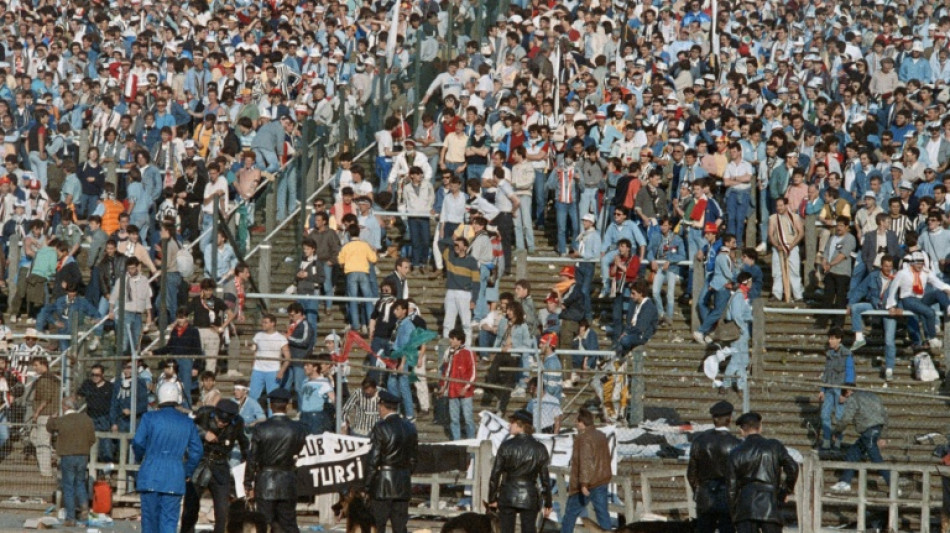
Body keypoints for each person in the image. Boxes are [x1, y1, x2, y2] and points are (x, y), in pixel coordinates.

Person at [132, 382, 204, 533]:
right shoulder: (187, 422)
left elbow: (138, 442)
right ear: (177, 398)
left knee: (150, 521)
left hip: (150, 473)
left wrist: (141, 458)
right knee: (169, 522)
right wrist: (187, 471)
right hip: (175, 475)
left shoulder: (149, 418)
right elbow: (197, 451)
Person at [244, 389, 308, 533]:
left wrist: (248, 482)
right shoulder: (298, 428)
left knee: (264, 524)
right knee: (289, 523)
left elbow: (252, 457)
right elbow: (299, 451)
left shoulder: (261, 428)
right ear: (287, 405)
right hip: (288, 479)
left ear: (271, 405)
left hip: (265, 480)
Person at [181, 399, 249, 533]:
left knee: (222, 510)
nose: (221, 423)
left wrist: (247, 461)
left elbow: (244, 442)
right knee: (191, 508)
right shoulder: (204, 413)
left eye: (225, 422)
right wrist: (203, 433)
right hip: (200, 463)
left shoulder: (238, 422)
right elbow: (185, 425)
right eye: (219, 420)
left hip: (220, 465)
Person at [727, 412, 799, 533]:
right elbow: (793, 467)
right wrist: (785, 490)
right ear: (760, 427)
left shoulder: (735, 452)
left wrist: (734, 513)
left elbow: (731, 488)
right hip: (770, 501)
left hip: (746, 505)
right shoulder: (774, 446)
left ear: (741, 430)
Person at [488, 409, 553, 533]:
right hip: (529, 495)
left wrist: (492, 498)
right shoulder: (540, 448)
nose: (509, 425)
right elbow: (545, 479)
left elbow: (495, 474)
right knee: (529, 529)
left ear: (520, 424)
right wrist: (548, 503)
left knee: (506, 530)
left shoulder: (506, 446)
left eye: (511, 422)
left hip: (507, 493)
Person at [365, 389, 419, 533]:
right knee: (400, 527)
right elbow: (413, 458)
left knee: (378, 525)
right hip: (403, 482)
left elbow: (374, 458)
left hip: (383, 483)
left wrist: (367, 484)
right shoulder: (410, 427)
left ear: (382, 406)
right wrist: (405, 473)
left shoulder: (381, 427)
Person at [688, 401, 741, 533]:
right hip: (727, 493)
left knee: (704, 528)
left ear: (714, 419)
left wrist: (698, 489)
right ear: (729, 419)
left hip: (705, 493)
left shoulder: (699, 441)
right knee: (727, 528)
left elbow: (691, 473)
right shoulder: (737, 444)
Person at [830, 385, 892, 494]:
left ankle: (893, 484)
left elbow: (846, 419)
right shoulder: (873, 396)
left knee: (876, 458)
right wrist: (883, 436)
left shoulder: (853, 399)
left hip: (868, 432)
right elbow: (885, 415)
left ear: (848, 391)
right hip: (875, 430)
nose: (842, 398)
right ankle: (845, 482)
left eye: (842, 394)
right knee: (852, 453)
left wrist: (837, 431)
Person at [47, 396, 97, 527]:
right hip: (83, 455)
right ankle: (84, 512)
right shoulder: (87, 420)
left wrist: (52, 417)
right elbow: (92, 439)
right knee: (80, 483)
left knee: (68, 486)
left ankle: (70, 518)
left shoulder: (62, 420)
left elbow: (50, 427)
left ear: (65, 407)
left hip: (67, 455)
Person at [560, 407, 612, 533]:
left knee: (570, 514)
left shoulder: (583, 438)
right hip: (601, 480)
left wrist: (583, 484)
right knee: (603, 513)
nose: (575, 424)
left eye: (576, 422)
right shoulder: (601, 435)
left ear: (582, 422)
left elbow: (585, 462)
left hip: (587, 483)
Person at [438, 329, 476, 440]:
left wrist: (466, 387)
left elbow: (473, 372)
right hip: (452, 391)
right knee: (454, 419)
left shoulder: (468, 352)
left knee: (468, 418)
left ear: (459, 341)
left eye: (453, 339)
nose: (450, 341)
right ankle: (456, 441)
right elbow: (446, 371)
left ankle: (472, 440)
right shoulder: (449, 352)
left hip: (465, 392)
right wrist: (442, 387)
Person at [77, 364, 115, 463]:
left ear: (103, 375)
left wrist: (114, 422)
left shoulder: (110, 387)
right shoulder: (88, 384)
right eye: (93, 374)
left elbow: (114, 404)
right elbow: (78, 396)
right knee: (90, 442)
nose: (95, 377)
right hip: (91, 417)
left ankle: (106, 470)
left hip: (104, 418)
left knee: (105, 444)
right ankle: (91, 467)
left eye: (97, 375)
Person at [249, 314, 291, 403]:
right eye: (262, 322)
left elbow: (287, 357)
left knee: (272, 397)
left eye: (265, 322)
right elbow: (255, 352)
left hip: (273, 371)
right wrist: (253, 366)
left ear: (273, 323)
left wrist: (281, 371)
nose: (263, 324)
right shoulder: (258, 335)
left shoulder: (281, 338)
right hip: (258, 370)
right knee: (252, 396)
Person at [615, 279, 659, 358]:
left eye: (633, 293)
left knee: (624, 341)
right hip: (632, 331)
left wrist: (627, 333)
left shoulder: (649, 307)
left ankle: (624, 355)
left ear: (640, 294)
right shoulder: (634, 304)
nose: (631, 296)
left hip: (641, 335)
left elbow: (641, 327)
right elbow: (629, 321)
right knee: (618, 341)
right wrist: (625, 332)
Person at [31, 357, 59, 478]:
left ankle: (46, 472)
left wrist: (37, 412)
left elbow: (46, 398)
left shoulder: (45, 379)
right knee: (33, 437)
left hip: (45, 414)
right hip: (48, 413)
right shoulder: (51, 378)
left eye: (36, 365)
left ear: (44, 365)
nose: (34, 368)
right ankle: (53, 453)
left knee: (42, 443)